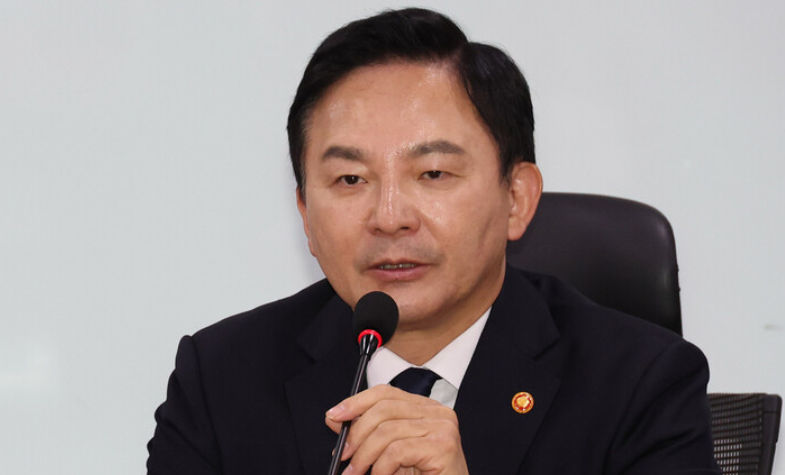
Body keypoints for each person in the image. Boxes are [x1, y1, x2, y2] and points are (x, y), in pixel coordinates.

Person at [147, 8, 720, 475]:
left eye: (434, 173)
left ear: (516, 198)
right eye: (350, 180)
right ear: (305, 213)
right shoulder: (221, 380)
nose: (389, 218)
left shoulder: (640, 385)